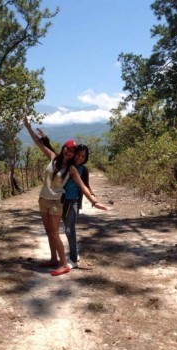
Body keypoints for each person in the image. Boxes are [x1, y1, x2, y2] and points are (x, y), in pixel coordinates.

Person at [23, 116, 108, 276]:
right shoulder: (53, 158)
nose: (70, 153)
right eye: (68, 149)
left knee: (56, 232)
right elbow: (38, 143)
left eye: (72, 151)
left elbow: (83, 186)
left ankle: (65, 263)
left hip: (57, 202)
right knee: (48, 231)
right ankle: (53, 259)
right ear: (63, 148)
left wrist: (94, 202)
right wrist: (27, 125)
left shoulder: (72, 169)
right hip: (43, 200)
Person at [37, 131, 94, 269]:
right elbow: (54, 152)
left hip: (72, 201)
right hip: (61, 201)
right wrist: (45, 138)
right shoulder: (64, 163)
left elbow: (85, 185)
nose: (80, 158)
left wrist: (93, 199)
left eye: (83, 156)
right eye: (78, 155)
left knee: (69, 229)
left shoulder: (80, 170)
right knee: (54, 231)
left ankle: (73, 258)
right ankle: (55, 258)